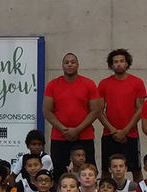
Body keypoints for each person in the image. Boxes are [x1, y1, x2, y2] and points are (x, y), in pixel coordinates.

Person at [43, 53, 103, 182]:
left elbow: (95, 110)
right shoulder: (53, 85)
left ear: (77, 65)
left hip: (84, 136)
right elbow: (47, 111)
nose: (70, 64)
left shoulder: (89, 84)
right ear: (62, 66)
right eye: (66, 62)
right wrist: (64, 130)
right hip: (60, 136)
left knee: (88, 172)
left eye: (73, 62)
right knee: (59, 172)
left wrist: (77, 130)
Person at [98, 49, 146, 182]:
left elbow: (140, 109)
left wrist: (125, 131)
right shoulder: (104, 84)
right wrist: (114, 131)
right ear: (111, 65)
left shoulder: (137, 82)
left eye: (121, 61)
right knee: (106, 171)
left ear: (127, 63)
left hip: (130, 134)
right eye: (115, 62)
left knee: (136, 170)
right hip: (109, 135)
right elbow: (99, 111)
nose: (119, 64)